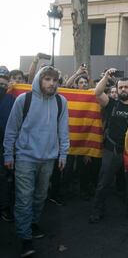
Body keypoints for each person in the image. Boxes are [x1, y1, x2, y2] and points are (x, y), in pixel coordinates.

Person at [3, 66, 69, 257]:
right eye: (47, 79)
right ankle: (25, 239)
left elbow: (63, 130)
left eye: (54, 80)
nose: (51, 83)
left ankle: (31, 223)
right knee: (24, 198)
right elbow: (11, 130)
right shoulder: (25, 99)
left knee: (40, 196)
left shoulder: (61, 101)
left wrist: (63, 154)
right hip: (25, 157)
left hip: (48, 159)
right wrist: (8, 155)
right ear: (39, 80)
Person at [88, 69, 128, 223]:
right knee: (103, 184)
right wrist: (106, 77)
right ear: (116, 89)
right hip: (112, 150)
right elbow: (97, 92)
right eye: (120, 87)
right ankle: (97, 211)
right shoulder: (111, 103)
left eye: (126, 87)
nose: (123, 90)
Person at [0, 74, 15, 222]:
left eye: (4, 85)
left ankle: (4, 207)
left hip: (5, 145)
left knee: (4, 177)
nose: (2, 88)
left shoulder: (11, 99)